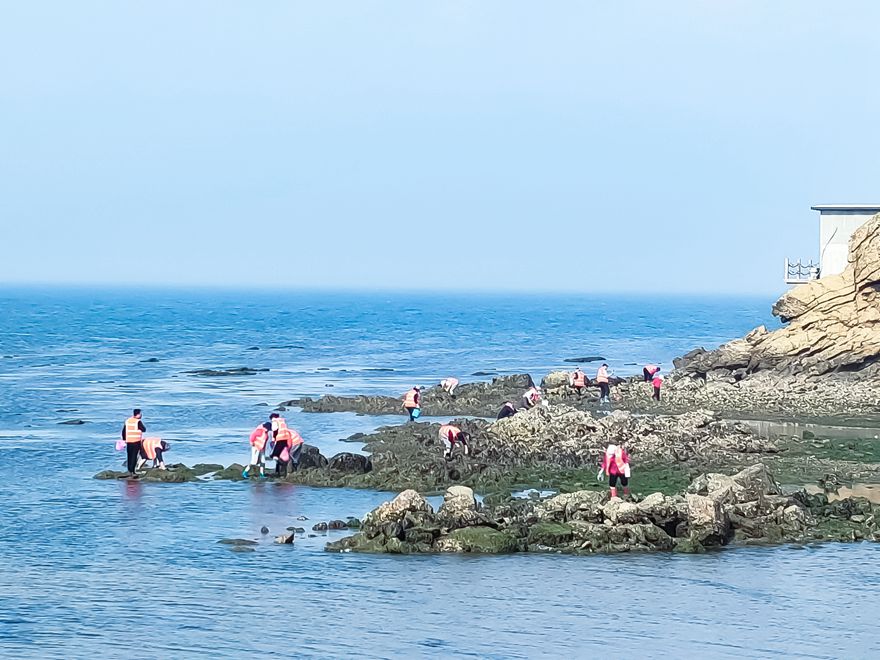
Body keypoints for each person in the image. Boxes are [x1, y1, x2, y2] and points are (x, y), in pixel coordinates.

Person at [121, 408, 146, 476]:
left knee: (129, 456)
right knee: (134, 456)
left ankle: (129, 470)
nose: (141, 415)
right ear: (138, 414)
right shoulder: (137, 421)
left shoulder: (128, 421)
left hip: (129, 441)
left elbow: (123, 431)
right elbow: (144, 429)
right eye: (140, 414)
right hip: (136, 441)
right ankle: (133, 471)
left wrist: (124, 439)